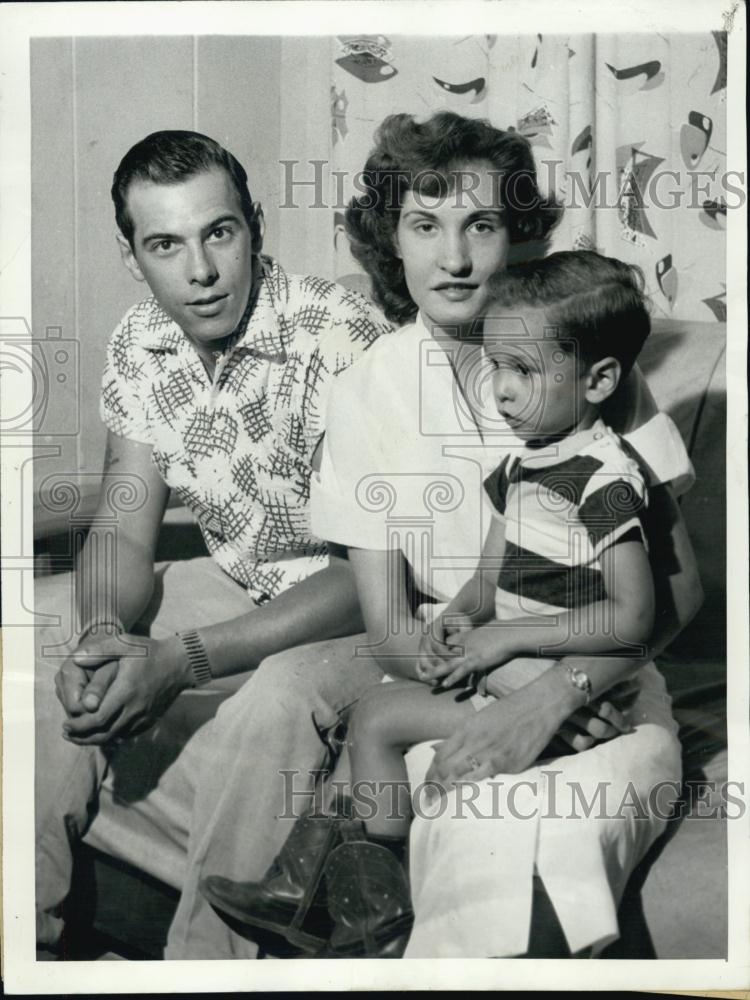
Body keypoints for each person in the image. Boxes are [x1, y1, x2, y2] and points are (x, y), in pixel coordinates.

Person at [203, 111, 701, 959]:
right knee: (297, 710)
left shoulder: (584, 367)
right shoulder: (368, 390)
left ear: (518, 236)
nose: (457, 257)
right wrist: (499, 678)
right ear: (389, 240)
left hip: (610, 674)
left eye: (482, 225)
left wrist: (558, 692)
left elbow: (679, 594)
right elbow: (393, 627)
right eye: (425, 226)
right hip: (463, 666)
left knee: (514, 839)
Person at [34, 129, 394, 954]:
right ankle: (30, 940)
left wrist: (180, 661)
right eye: (165, 244)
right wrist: (103, 635)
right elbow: (124, 526)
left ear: (255, 227)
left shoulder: (340, 338)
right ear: (134, 257)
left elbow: (361, 577)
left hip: (358, 599)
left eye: (218, 234)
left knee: (265, 711)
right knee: (45, 652)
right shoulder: (139, 343)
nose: (199, 272)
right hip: (242, 576)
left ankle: (206, 964)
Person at [342, 251, 658, 889]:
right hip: (511, 669)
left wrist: (506, 640)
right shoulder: (520, 467)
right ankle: (372, 887)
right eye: (495, 366)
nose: (502, 389)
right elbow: (488, 582)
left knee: (390, 732)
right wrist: (456, 622)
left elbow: (635, 616)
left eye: (523, 370)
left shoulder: (606, 478)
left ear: (597, 382)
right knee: (372, 713)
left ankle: (382, 901)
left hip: (573, 687)